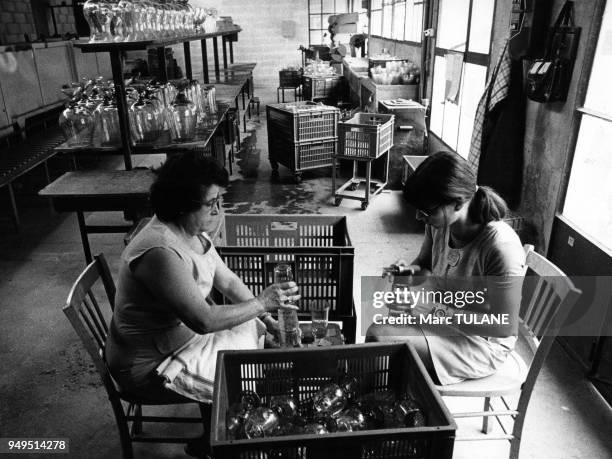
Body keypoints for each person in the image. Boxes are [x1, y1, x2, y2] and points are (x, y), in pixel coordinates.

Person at [105, 153, 299, 403]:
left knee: (250, 324)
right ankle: (220, 433)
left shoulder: (193, 231)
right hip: (150, 365)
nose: (218, 210)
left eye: (218, 200)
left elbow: (227, 282)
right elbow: (204, 321)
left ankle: (226, 414)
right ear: (182, 204)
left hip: (181, 338)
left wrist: (267, 317)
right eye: (211, 203)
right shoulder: (160, 251)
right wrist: (262, 303)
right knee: (244, 376)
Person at [367, 151, 526, 385]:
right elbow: (425, 265)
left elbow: (504, 326)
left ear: (458, 203)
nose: (419, 218)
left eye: (426, 211)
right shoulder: (440, 224)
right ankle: (385, 400)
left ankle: (382, 404)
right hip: (447, 317)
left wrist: (437, 311)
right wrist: (410, 273)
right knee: (381, 330)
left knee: (381, 338)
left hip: (480, 343)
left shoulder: (500, 247)